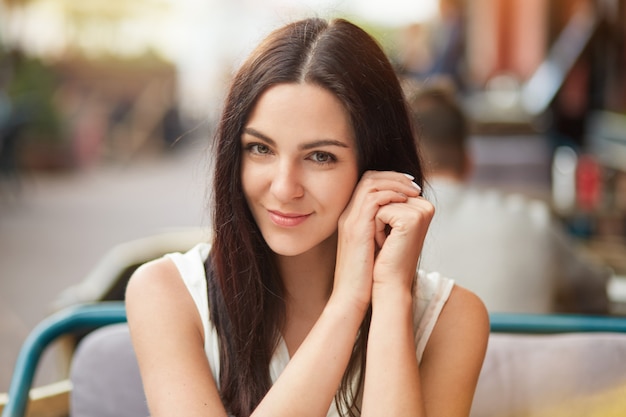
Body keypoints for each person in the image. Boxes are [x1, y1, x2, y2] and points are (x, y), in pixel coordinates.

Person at [126, 18, 489, 417]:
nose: (284, 188)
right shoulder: (166, 293)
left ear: (378, 166)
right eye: (261, 149)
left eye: (321, 156)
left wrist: (387, 295)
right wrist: (346, 302)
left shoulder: (451, 320)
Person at [410, 85, 611, 314]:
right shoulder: (533, 220)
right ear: (469, 161)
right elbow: (596, 291)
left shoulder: (386, 231)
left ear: (407, 162)